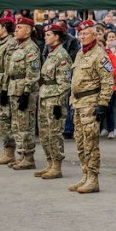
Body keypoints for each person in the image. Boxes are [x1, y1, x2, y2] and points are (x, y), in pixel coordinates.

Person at [68, 18, 114, 193]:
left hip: (91, 103)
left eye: (86, 33)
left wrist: (102, 103)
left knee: (91, 143)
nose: (82, 36)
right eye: (80, 33)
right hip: (78, 104)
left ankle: (93, 179)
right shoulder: (81, 54)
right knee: (80, 142)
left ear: (95, 35)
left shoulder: (100, 55)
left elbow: (108, 81)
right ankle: (85, 175)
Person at [3, 17, 41, 170]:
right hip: (14, 88)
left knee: (26, 125)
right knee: (17, 124)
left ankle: (29, 157)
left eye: (20, 27)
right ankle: (21, 155)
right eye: (16, 27)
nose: (16, 30)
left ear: (28, 30)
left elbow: (33, 72)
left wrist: (26, 93)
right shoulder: (18, 47)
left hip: (25, 91)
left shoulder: (31, 48)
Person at [35, 23, 72, 179]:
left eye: (49, 34)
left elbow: (65, 83)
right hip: (45, 97)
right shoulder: (50, 53)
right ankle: (49, 163)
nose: (45, 37)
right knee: (44, 133)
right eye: (45, 34)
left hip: (54, 100)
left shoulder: (62, 55)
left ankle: (57, 167)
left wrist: (58, 102)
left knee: (54, 133)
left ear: (57, 36)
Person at [0, 15, 18, 164]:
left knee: (4, 118)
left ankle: (10, 152)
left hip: (3, 85)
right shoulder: (2, 43)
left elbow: (9, 68)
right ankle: (6, 150)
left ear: (5, 28)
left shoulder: (11, 43)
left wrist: (6, 89)